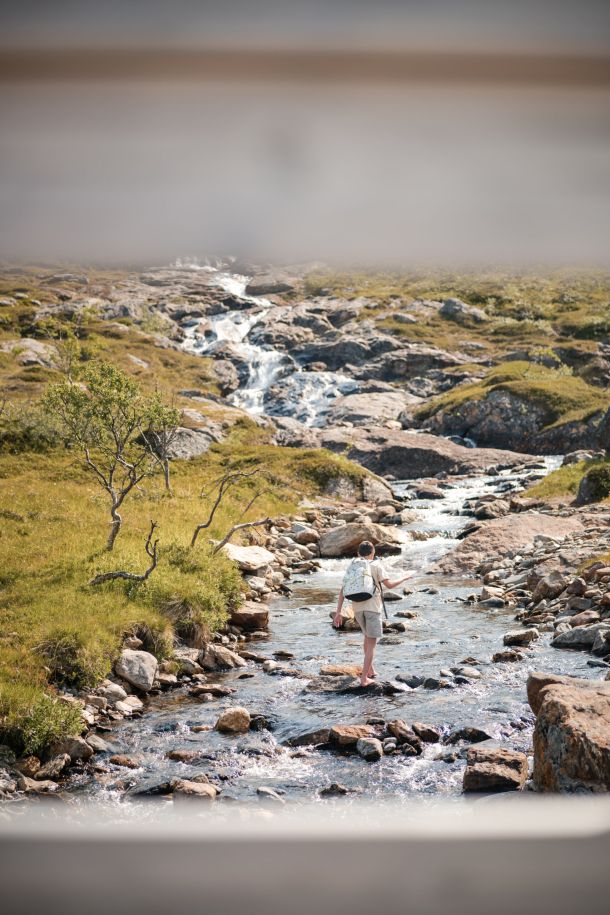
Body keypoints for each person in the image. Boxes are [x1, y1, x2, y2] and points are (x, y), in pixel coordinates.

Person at [333, 540, 414, 687]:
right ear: (373, 552)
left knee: (367, 638)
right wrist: (405, 577)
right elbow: (389, 585)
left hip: (357, 609)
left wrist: (338, 612)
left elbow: (342, 591)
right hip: (372, 609)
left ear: (358, 553)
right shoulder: (377, 565)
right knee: (372, 644)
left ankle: (370, 670)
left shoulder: (353, 566)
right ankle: (364, 678)